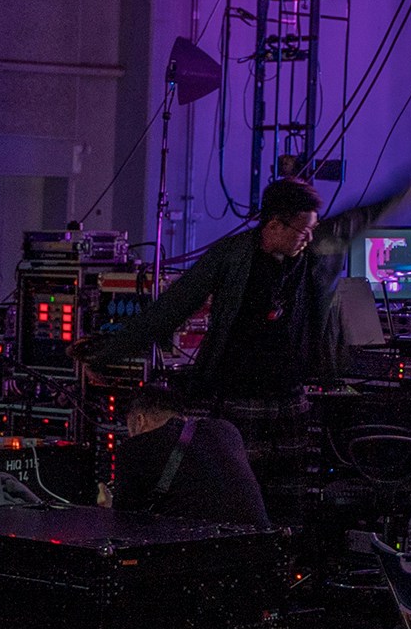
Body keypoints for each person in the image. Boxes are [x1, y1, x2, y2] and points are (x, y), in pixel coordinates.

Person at [74, 179, 373, 463]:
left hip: (288, 393)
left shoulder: (312, 251)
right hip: (234, 393)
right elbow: (171, 307)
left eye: (313, 229)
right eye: (302, 230)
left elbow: (354, 218)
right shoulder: (231, 255)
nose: (309, 238)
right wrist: (105, 355)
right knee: (234, 492)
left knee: (285, 503)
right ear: (274, 225)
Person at [112, 385, 271, 528]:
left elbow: (126, 524)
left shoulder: (134, 448)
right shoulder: (226, 429)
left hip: (201, 550)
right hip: (260, 543)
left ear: (140, 420)